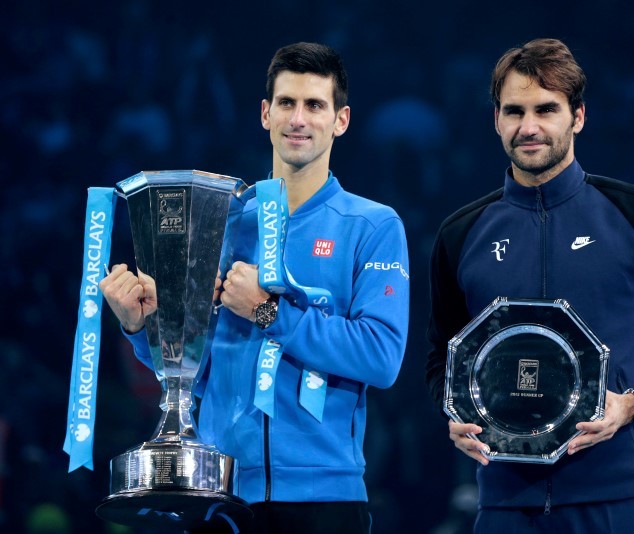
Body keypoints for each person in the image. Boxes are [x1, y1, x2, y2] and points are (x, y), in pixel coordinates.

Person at [100, 42, 410, 533]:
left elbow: (381, 357)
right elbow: (195, 374)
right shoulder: (223, 223)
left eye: (315, 105)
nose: (298, 119)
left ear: (341, 120)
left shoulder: (371, 225)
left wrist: (268, 312)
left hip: (324, 496)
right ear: (266, 114)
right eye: (286, 103)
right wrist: (142, 329)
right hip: (222, 491)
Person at [425, 38, 634, 533]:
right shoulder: (462, 234)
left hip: (620, 500)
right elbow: (442, 357)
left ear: (578, 116)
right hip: (504, 505)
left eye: (546, 109)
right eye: (514, 111)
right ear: (495, 120)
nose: (529, 127)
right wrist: (452, 413)